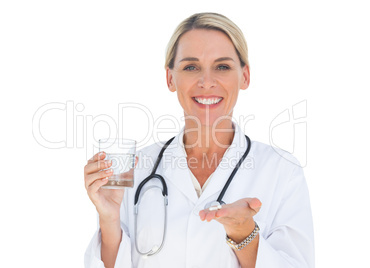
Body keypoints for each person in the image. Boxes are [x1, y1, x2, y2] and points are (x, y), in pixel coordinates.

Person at [84, 12, 314, 268]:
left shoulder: (282, 171)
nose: (206, 82)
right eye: (191, 67)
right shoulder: (134, 169)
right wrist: (108, 218)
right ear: (171, 78)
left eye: (222, 67)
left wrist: (244, 234)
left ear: (245, 76)